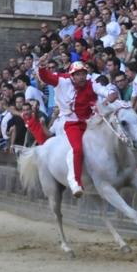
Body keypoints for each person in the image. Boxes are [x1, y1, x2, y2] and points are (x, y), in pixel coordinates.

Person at [38, 56, 97, 198]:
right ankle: (75, 181)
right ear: (72, 75)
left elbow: (96, 97)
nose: (81, 76)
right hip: (69, 122)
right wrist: (41, 66)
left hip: (88, 120)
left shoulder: (89, 84)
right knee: (76, 149)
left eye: (83, 73)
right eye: (77, 74)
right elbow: (46, 78)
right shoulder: (61, 80)